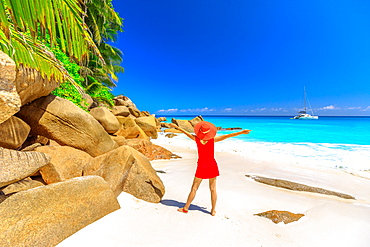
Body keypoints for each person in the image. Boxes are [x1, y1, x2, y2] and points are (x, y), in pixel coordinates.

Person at [169, 121, 251, 216]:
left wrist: (176, 127)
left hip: (201, 165)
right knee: (213, 189)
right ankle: (213, 210)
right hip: (212, 165)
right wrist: (241, 132)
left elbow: (185, 132)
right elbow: (227, 136)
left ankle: (186, 208)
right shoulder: (212, 140)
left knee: (194, 188)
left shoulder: (196, 139)